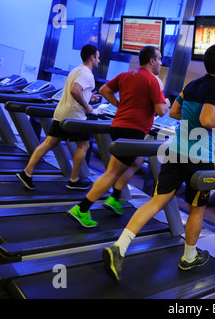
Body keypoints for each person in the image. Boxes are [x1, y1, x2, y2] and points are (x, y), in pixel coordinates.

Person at [102, 43, 215, 281]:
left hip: (176, 152)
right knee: (197, 209)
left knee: (157, 201)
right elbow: (207, 118)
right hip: (199, 158)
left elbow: (174, 112)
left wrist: (196, 118)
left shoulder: (191, 84)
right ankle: (189, 258)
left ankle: (119, 247)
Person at [67, 45, 170, 228]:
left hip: (119, 126)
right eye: (159, 59)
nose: (161, 63)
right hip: (132, 131)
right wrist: (167, 102)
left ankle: (115, 198)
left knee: (137, 161)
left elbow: (105, 90)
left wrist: (120, 105)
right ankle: (82, 209)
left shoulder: (126, 75)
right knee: (112, 172)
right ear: (152, 61)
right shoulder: (153, 81)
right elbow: (161, 111)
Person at [16, 44, 101, 190]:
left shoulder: (76, 70)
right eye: (98, 57)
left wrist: (89, 97)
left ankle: (27, 172)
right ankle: (74, 180)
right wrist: (87, 106)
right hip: (75, 116)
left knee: (49, 142)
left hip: (61, 113)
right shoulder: (88, 75)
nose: (99, 61)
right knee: (84, 145)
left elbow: (75, 90)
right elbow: (75, 91)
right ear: (92, 57)